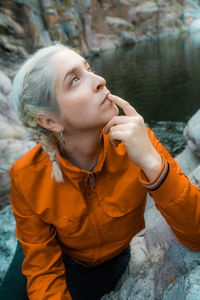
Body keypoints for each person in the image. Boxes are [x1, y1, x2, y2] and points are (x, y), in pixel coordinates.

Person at [0, 42, 200, 300]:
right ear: (50, 121)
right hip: (49, 258)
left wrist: (152, 162)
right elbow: (43, 273)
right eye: (74, 80)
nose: (99, 80)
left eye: (89, 68)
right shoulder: (26, 175)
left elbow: (196, 234)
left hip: (110, 262)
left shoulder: (139, 140)